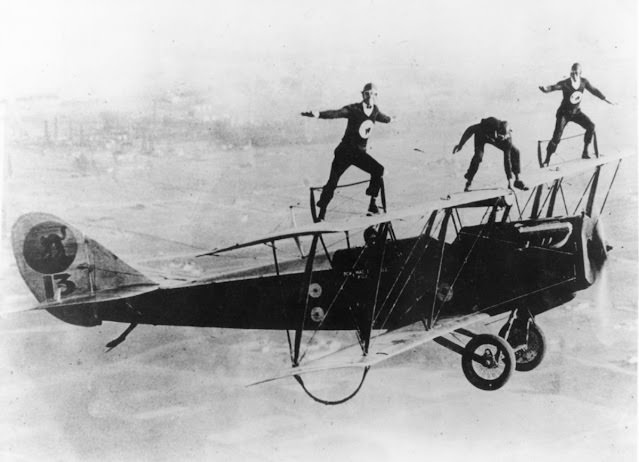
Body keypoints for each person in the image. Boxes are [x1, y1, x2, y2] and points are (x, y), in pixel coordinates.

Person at [301, 83, 392, 221]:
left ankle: (372, 205)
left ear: (376, 96)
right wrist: (318, 114)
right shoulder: (354, 109)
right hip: (345, 152)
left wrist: (391, 119)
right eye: (367, 94)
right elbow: (336, 113)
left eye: (373, 94)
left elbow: (383, 118)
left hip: (359, 154)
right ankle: (322, 213)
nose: (370, 97)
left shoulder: (375, 110)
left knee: (378, 170)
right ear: (362, 95)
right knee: (333, 181)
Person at [539, 63, 613, 166]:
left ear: (580, 73)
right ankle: (547, 160)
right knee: (557, 137)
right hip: (563, 114)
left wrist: (605, 99)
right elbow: (555, 86)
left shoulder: (584, 82)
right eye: (572, 73)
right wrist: (546, 89)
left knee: (591, 126)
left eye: (576, 73)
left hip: (576, 112)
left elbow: (594, 90)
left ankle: (585, 152)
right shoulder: (566, 83)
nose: (573, 75)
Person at [452, 117, 528, 192]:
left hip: (494, 139)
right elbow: (470, 130)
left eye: (502, 137)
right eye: (499, 136)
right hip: (482, 136)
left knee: (515, 152)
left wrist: (509, 182)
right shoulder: (485, 126)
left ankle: (517, 180)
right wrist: (460, 144)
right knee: (478, 157)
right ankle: (469, 182)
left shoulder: (507, 140)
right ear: (496, 130)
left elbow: (507, 160)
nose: (500, 138)